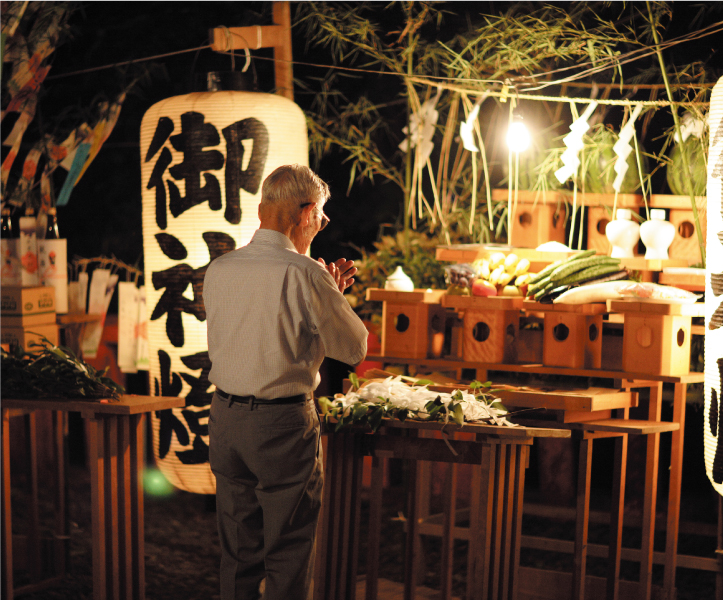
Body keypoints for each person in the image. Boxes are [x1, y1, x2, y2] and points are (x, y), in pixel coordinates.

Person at [203, 164, 368, 600]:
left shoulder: (221, 269)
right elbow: (353, 348)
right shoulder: (306, 273)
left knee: (237, 551)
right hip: (281, 425)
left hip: (224, 419)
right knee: (288, 551)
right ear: (307, 212)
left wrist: (322, 294)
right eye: (322, 217)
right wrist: (330, 294)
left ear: (262, 211)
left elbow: (259, 330)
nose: (321, 225)